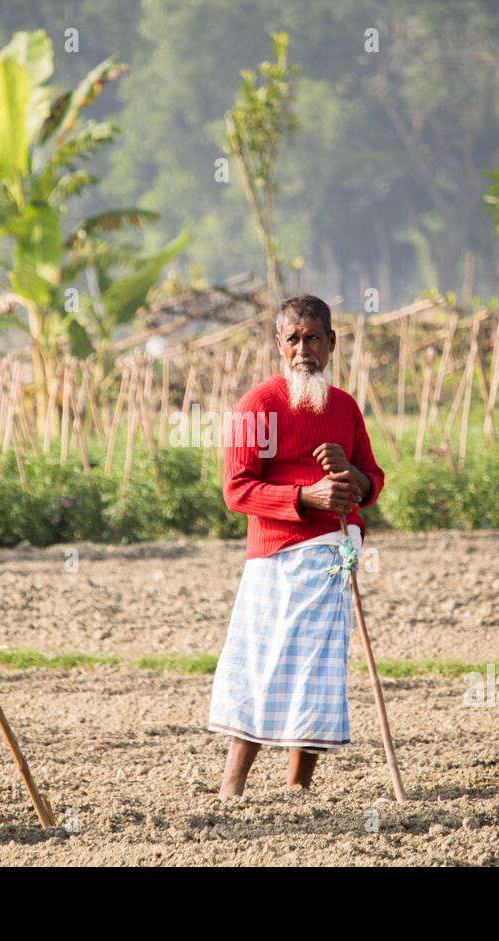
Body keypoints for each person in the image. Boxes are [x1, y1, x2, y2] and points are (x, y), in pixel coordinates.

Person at [209, 294, 385, 796]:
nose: (303, 348)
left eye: (313, 338)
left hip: (334, 556)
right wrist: (307, 495)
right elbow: (236, 490)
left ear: (332, 343)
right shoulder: (257, 406)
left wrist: (351, 476)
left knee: (317, 671)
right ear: (278, 345)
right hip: (278, 556)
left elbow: (372, 478)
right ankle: (231, 788)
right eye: (293, 339)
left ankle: (298, 788)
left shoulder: (346, 408)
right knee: (263, 664)